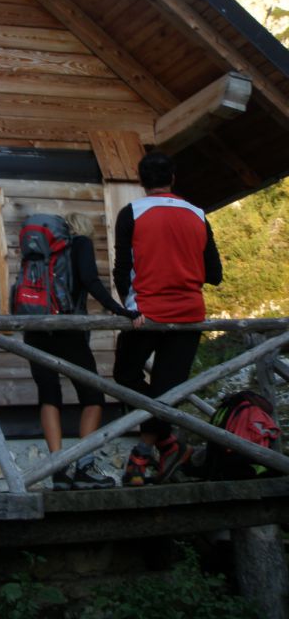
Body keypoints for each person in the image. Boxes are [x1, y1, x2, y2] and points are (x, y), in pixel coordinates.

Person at [114, 151, 223, 486]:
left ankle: (148, 451)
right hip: (190, 315)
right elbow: (215, 274)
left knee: (124, 374)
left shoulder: (131, 212)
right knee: (166, 390)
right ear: (173, 178)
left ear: (141, 180)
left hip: (147, 314)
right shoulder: (197, 214)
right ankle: (165, 448)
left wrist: (131, 307)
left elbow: (123, 269)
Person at [24, 212, 139, 491]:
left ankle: (58, 468)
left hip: (35, 329)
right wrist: (120, 310)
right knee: (93, 395)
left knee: (49, 395)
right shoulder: (81, 244)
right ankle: (84, 465)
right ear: (83, 227)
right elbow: (90, 280)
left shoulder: (39, 252)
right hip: (69, 329)